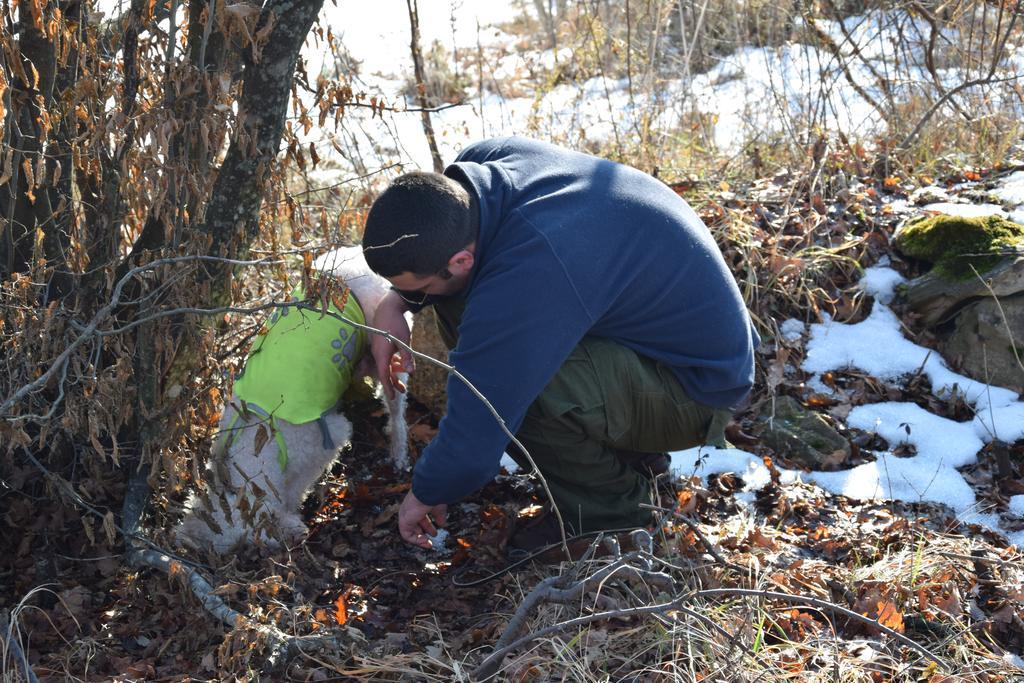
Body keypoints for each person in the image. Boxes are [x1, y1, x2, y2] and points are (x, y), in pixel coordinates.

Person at [361, 136, 758, 551]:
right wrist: (396, 303)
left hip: (696, 386)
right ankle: (628, 460)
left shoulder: (533, 266)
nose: (414, 294)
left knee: (523, 390)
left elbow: (481, 422)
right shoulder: (483, 170)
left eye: (418, 286)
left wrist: (424, 493)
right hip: (655, 342)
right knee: (465, 310)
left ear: (460, 259)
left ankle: (614, 518)